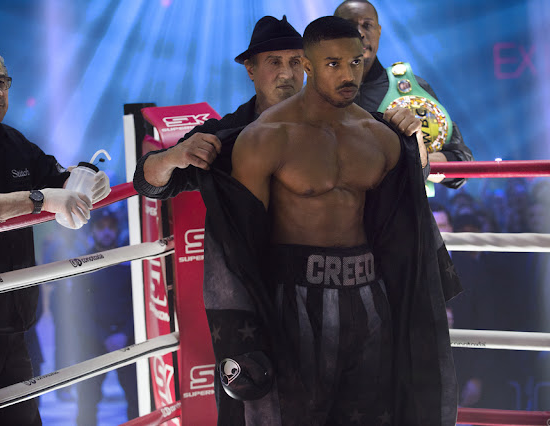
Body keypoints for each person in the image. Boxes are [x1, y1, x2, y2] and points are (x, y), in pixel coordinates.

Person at [199, 16, 460, 425]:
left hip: (370, 297)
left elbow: (403, 212)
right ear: (308, 65)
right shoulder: (266, 136)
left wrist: (417, 149)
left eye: (355, 62)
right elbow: (239, 244)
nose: (348, 75)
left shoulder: (380, 136)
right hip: (293, 300)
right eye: (333, 64)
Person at [0, 45, 111, 424]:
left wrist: (87, 181)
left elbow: (58, 178)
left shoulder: (12, 141)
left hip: (15, 325)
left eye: (1, 81)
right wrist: (41, 199)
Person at [134, 15, 425, 198]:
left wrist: (413, 138)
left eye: (295, 62)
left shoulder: (351, 121)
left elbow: (414, 176)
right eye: (274, 62)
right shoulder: (225, 136)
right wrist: (173, 156)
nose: (287, 74)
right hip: (265, 274)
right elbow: (149, 184)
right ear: (251, 69)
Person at [334, 0, 474, 189]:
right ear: (331, 34)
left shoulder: (412, 91)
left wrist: (416, 161)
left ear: (379, 31)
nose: (360, 33)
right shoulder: (313, 94)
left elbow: (461, 162)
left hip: (399, 206)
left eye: (367, 25)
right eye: (350, 26)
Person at [71, 208, 138, 425]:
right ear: (93, 230)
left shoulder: (130, 259)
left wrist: (124, 334)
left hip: (128, 340)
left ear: (117, 229)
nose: (107, 232)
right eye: (101, 227)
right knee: (87, 404)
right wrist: (104, 337)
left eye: (111, 226)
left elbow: (140, 299)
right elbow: (78, 310)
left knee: (137, 399)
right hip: (92, 343)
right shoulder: (81, 264)